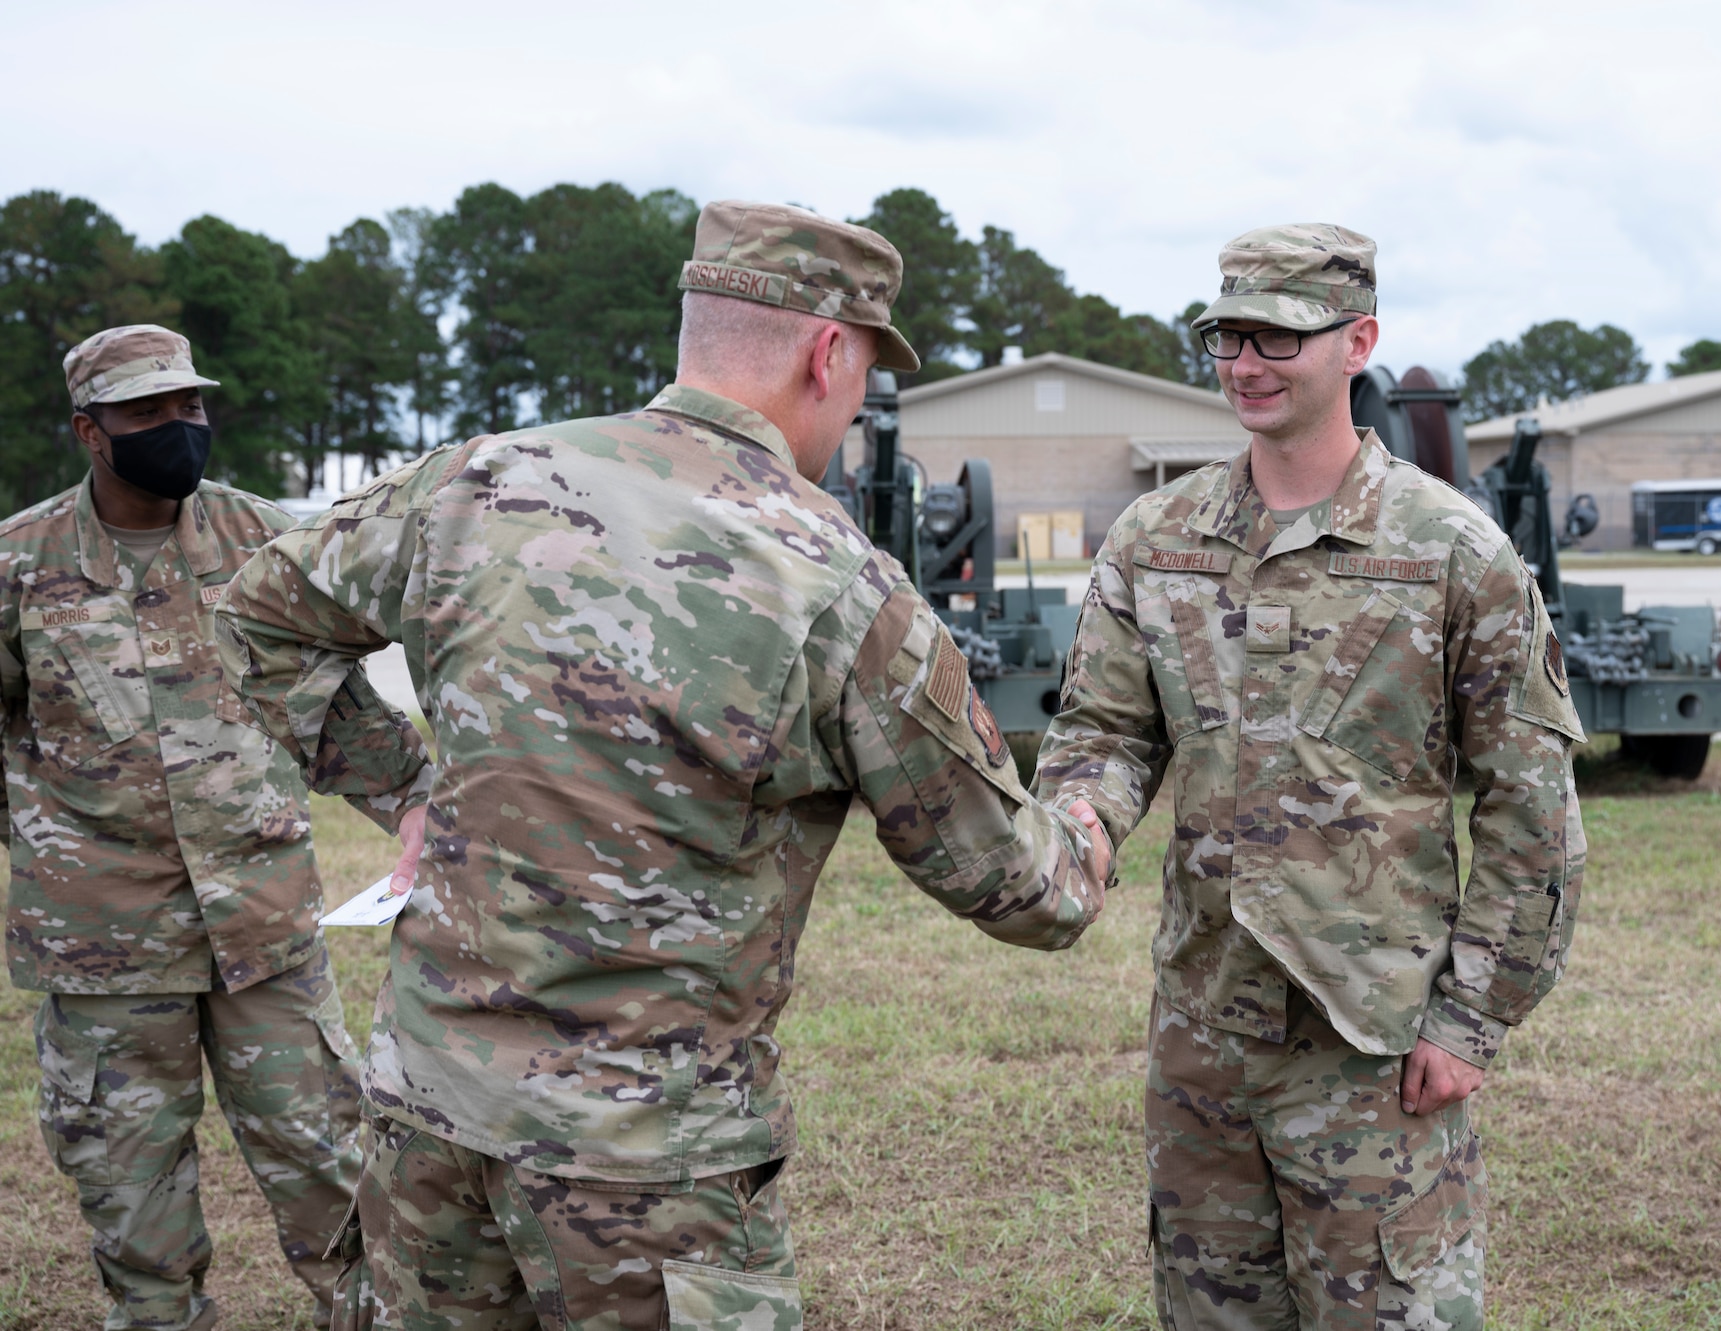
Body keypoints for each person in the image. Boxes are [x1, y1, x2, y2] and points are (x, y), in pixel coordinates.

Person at [214, 199, 1110, 1330]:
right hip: (645, 1172)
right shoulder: (838, 583)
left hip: (430, 1120)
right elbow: (1027, 889)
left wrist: (404, 789)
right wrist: (1093, 790)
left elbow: (253, 615)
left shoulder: (475, 481)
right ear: (827, 352)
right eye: (864, 369)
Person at [1036, 225, 1588, 1330]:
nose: (1246, 363)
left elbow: (1528, 801)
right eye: (1228, 336)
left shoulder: (1449, 551)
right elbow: (1103, 728)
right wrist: (1078, 825)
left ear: (1357, 342)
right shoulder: (1158, 536)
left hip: (1372, 1040)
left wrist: (1469, 1018)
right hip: (1204, 1032)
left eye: (1279, 337)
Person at [1, 326, 417, 1330]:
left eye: (189, 407)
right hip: (105, 950)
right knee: (130, 1197)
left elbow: (334, 706)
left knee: (332, 1169)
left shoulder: (263, 542)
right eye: (148, 413)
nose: (178, 428)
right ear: (89, 431)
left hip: (264, 931)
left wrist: (422, 809)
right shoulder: (20, 565)